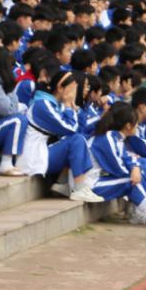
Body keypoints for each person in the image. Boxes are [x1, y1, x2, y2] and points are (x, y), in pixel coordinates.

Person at [16, 68, 104, 203]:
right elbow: (71, 129)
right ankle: (79, 189)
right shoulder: (42, 105)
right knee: (76, 140)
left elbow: (75, 128)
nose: (75, 93)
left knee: (77, 140)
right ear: (60, 88)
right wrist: (69, 106)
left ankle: (64, 184)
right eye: (72, 89)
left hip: (41, 152)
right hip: (32, 158)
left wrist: (71, 107)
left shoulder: (53, 104)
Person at [90, 102, 146, 229]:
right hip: (91, 184)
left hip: (102, 180)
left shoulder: (117, 137)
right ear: (128, 126)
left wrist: (135, 167)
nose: (137, 126)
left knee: (139, 168)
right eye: (136, 123)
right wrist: (134, 169)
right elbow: (118, 168)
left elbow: (127, 158)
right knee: (132, 179)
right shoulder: (107, 138)